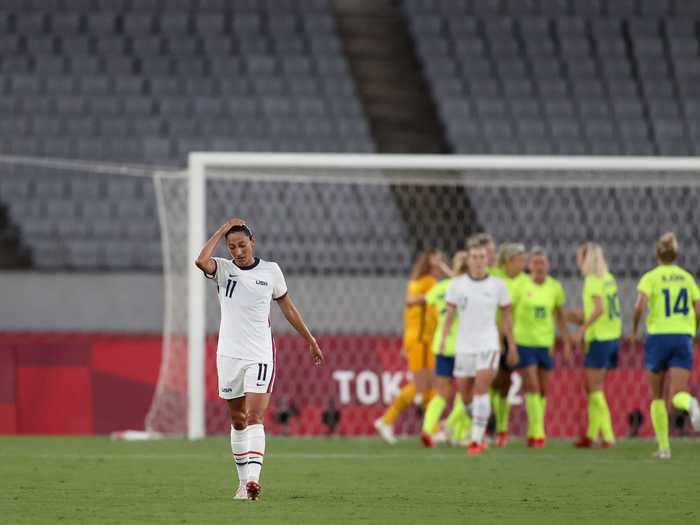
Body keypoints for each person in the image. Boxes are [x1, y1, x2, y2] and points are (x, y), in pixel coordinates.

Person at [195, 218, 323, 500]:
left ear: (253, 241)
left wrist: (310, 339)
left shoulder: (271, 271)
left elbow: (288, 308)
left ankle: (253, 480)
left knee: (254, 416)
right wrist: (221, 230)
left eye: (242, 245)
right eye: (232, 247)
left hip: (260, 354)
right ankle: (242, 485)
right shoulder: (223, 269)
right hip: (228, 354)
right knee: (237, 420)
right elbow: (200, 260)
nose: (238, 251)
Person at [439, 240, 517, 455]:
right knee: (464, 395)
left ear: (487, 260)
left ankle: (476, 440)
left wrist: (511, 345)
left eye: (482, 257)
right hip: (463, 345)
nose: (478, 261)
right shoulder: (457, 285)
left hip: (487, 344)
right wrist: (444, 339)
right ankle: (484, 421)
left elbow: (507, 318)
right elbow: (449, 315)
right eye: (474, 257)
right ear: (468, 260)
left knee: (481, 389)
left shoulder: (498, 286)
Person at [631, 232, 700, 459]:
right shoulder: (687, 278)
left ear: (657, 254)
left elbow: (639, 307)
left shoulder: (651, 277)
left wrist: (633, 330)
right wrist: (692, 329)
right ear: (676, 254)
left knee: (657, 395)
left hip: (658, 337)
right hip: (682, 336)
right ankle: (691, 404)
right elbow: (698, 309)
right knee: (677, 394)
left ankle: (664, 448)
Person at [374, 249, 447, 444]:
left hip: (415, 339)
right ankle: (386, 420)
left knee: (428, 385)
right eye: (438, 261)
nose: (441, 264)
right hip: (424, 340)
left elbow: (411, 313)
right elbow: (432, 313)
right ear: (430, 264)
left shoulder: (414, 282)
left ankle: (434, 428)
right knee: (422, 384)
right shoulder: (430, 283)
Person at [514, 247, 571, 448]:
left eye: (542, 263)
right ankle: (538, 432)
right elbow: (508, 314)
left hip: (546, 344)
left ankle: (533, 430)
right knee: (533, 386)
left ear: (548, 265)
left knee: (544, 390)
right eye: (535, 263)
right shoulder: (520, 286)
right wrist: (510, 342)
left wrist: (566, 342)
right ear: (530, 266)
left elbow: (560, 317)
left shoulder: (554, 287)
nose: (539, 266)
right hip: (525, 342)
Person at [570, 242, 622, 449]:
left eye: (579, 257)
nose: (577, 261)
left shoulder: (591, 280)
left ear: (586, 259)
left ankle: (608, 436)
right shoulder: (609, 278)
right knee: (591, 386)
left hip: (600, 338)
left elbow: (599, 309)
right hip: (612, 337)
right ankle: (592, 435)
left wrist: (582, 329)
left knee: (594, 387)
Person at [420, 251, 470, 448]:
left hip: (442, 344)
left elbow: (427, 307)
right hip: (465, 345)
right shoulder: (471, 289)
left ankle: (427, 429)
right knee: (467, 392)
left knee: (441, 392)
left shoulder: (440, 288)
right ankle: (456, 430)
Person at [489, 242, 529, 447]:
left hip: (511, 337)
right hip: (487, 335)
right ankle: (481, 419)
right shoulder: (494, 275)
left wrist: (509, 342)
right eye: (520, 260)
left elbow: (512, 315)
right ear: (509, 260)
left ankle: (501, 429)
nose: (523, 264)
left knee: (504, 384)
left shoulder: (525, 282)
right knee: (485, 380)